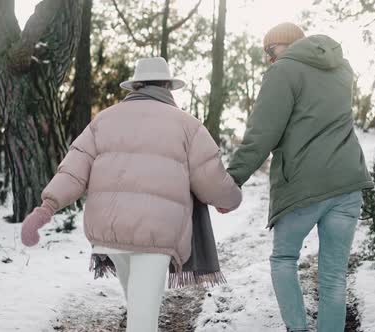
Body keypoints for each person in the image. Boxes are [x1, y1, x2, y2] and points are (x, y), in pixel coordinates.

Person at [20, 57, 242, 332]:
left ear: (135, 86)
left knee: (137, 306)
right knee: (143, 318)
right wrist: (231, 200)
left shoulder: (104, 120)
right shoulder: (187, 125)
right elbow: (210, 177)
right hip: (156, 233)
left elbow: (73, 170)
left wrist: (47, 207)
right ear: (167, 86)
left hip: (109, 232)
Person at [226, 22, 374, 332]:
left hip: (304, 186)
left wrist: (233, 178)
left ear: (288, 44)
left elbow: (263, 133)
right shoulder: (341, 70)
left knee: (283, 259)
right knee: (333, 275)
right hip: (347, 183)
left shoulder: (284, 71)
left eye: (271, 50)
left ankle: (297, 328)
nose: (269, 58)